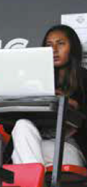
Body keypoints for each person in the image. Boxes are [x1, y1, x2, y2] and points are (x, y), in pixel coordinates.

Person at [11, 25, 87, 167]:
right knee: (21, 125)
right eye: (49, 45)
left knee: (19, 156)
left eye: (61, 43)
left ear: (73, 47)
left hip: (69, 149)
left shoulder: (84, 79)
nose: (54, 50)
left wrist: (73, 106)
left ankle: (36, 186)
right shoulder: (36, 81)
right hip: (39, 147)